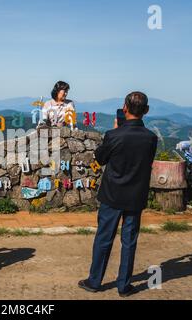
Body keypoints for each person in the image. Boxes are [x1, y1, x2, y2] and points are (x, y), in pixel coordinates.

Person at [78, 91, 158, 297]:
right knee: (129, 241)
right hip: (135, 197)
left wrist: (114, 132)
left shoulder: (114, 135)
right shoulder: (151, 138)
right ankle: (124, 286)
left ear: (125, 108)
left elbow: (100, 158)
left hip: (112, 196)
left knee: (104, 239)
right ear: (146, 111)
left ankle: (94, 281)